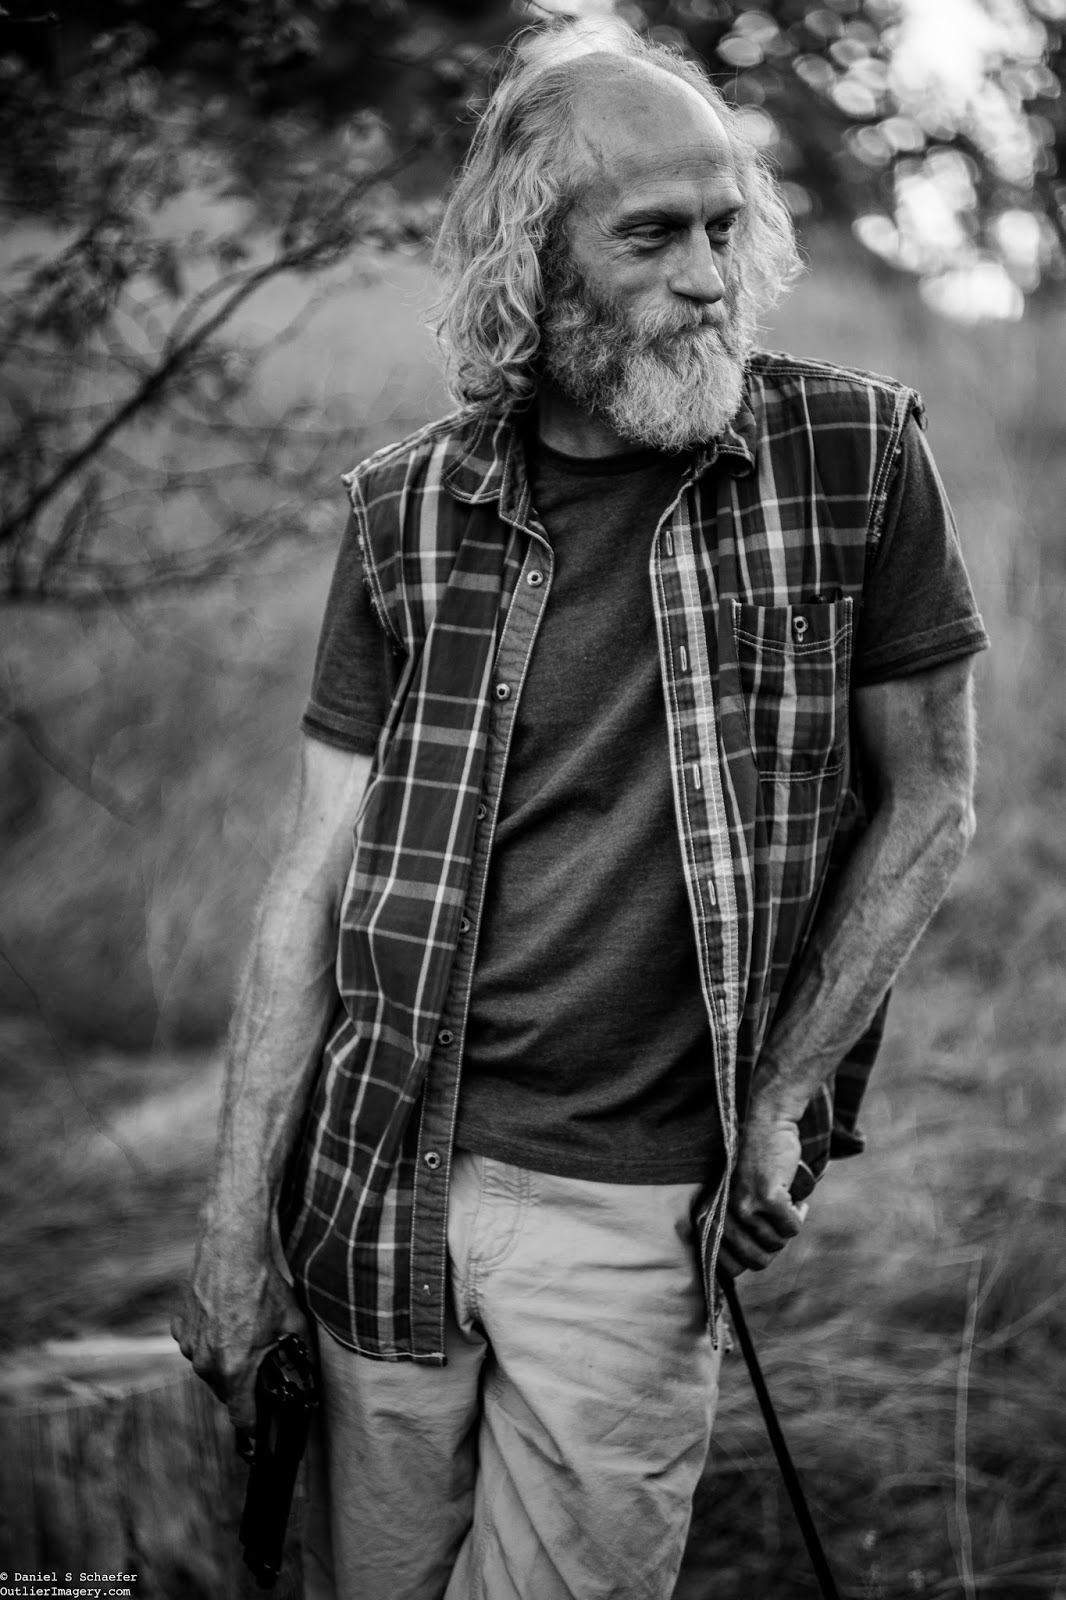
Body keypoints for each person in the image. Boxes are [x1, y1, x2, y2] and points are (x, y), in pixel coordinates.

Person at [174, 17, 990, 1600]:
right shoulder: (408, 509)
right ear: (531, 260)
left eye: (722, 227)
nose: (707, 277)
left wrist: (783, 1098)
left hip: (636, 1209)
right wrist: (228, 1231)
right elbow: (311, 884)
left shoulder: (851, 456)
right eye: (651, 236)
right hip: (374, 1181)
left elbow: (934, 803)